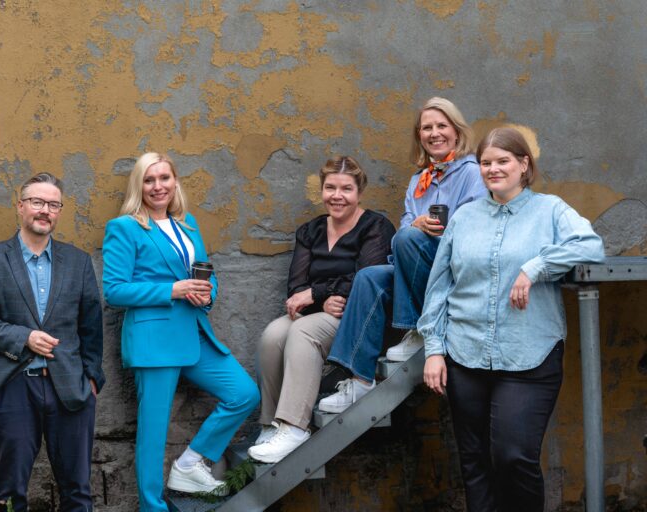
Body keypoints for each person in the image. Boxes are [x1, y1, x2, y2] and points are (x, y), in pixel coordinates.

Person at [419, 127, 605, 511]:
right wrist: (434, 349)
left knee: (513, 455)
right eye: (486, 163)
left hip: (529, 353)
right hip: (464, 352)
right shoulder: (464, 217)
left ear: (523, 164)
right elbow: (439, 286)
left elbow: (590, 245)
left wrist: (535, 267)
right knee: (474, 461)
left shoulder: (550, 210)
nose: (493, 169)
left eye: (502, 161)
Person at [102, 153, 260, 511]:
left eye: (164, 178)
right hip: (154, 342)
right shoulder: (124, 227)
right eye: (149, 180)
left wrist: (207, 294)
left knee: (244, 393)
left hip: (194, 333)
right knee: (153, 432)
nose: (158, 186)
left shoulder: (187, 223)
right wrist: (172, 290)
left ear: (175, 182)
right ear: (138, 186)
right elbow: (114, 290)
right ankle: (152, 507)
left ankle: (190, 463)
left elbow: (207, 274)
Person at [319, 97, 486, 413]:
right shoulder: (418, 181)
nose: (434, 133)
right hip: (416, 270)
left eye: (441, 126)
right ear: (419, 135)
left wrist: (426, 232)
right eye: (427, 128)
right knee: (369, 277)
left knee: (410, 237)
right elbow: (403, 232)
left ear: (456, 130)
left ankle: (419, 328)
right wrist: (416, 227)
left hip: (454, 273)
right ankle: (359, 378)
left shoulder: (472, 173)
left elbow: (474, 230)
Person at [0, 173, 105, 512]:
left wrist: (91, 378)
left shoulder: (78, 261)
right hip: (12, 385)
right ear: (20, 206)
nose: (45, 211)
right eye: (37, 202)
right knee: (10, 492)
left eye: (53, 205)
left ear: (59, 212)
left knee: (78, 491)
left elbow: (91, 325)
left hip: (70, 387)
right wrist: (23, 337)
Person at [248, 156, 396, 463]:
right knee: (273, 334)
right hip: (322, 312)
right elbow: (296, 289)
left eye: (346, 189)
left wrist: (318, 292)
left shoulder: (376, 227)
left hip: (357, 319)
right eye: (330, 188)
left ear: (360, 192)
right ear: (322, 190)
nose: (337, 196)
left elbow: (367, 280)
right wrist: (322, 299)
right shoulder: (311, 231)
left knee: (303, 330)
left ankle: (294, 427)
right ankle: (271, 424)